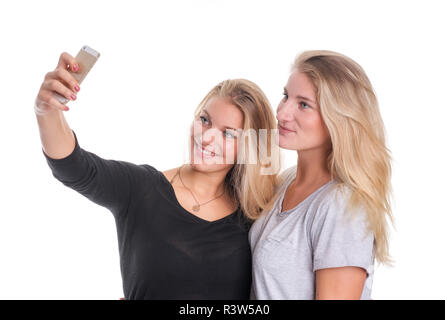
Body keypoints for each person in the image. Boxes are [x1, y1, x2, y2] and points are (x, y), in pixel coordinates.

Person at [35, 51, 281, 299]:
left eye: (228, 134)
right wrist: (47, 112)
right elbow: (73, 167)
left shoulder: (257, 212)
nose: (207, 138)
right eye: (205, 120)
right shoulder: (142, 189)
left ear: (251, 146)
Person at [249, 50, 394, 300]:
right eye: (286, 96)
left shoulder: (343, 206)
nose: (282, 113)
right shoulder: (285, 181)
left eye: (304, 104)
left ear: (337, 118)